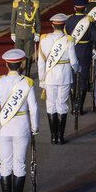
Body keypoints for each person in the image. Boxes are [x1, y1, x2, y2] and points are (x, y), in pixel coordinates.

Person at [0, 49, 39, 192]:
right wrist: (35, 127)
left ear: (6, 64)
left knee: (5, 165)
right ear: (22, 64)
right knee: (19, 165)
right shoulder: (26, 83)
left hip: (3, 128)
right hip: (21, 128)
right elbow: (33, 108)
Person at [37, 13, 79, 145]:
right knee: (62, 104)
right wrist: (78, 70)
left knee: (51, 104)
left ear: (52, 25)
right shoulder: (68, 40)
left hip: (49, 77)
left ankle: (53, 136)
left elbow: (41, 62)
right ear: (64, 26)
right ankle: (60, 137)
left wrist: (41, 79)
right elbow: (74, 62)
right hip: (64, 76)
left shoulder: (44, 40)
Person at [65, 0, 96, 115]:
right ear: (85, 9)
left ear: (74, 8)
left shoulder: (68, 20)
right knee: (84, 78)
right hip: (85, 51)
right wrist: (95, 49)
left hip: (71, 51)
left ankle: (73, 105)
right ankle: (79, 107)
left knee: (71, 80)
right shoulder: (88, 21)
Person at [10, 0, 41, 76]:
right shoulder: (17, 3)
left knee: (28, 55)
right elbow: (13, 20)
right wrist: (12, 33)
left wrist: (38, 33)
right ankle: (18, 72)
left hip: (29, 32)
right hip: (19, 32)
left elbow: (38, 20)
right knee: (18, 54)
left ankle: (27, 73)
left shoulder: (34, 4)